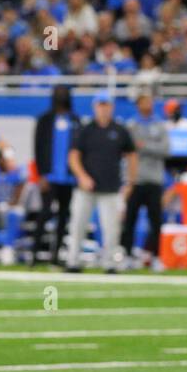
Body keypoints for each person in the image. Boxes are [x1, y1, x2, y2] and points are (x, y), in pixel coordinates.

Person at [66, 95, 134, 272]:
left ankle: (110, 263)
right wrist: (82, 176)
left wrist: (130, 182)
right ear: (95, 107)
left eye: (106, 105)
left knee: (111, 228)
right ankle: (73, 261)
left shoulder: (119, 130)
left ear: (111, 107)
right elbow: (73, 156)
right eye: (100, 105)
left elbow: (132, 155)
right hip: (85, 188)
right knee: (77, 225)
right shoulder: (85, 129)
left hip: (110, 187)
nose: (103, 109)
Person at [120, 92, 170, 270]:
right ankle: (127, 255)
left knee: (156, 221)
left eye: (149, 101)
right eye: (143, 102)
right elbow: (128, 149)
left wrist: (144, 146)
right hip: (136, 179)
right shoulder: (132, 125)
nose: (147, 105)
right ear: (138, 105)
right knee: (130, 220)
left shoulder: (159, 125)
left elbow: (165, 149)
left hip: (155, 179)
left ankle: (156, 257)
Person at [31, 84, 79, 265]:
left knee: (63, 218)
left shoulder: (75, 120)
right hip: (49, 176)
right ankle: (34, 255)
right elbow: (37, 148)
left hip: (68, 178)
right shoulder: (45, 120)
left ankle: (56, 255)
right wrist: (41, 174)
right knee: (43, 215)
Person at [0, 147, 27, 264]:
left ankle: (8, 248)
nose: (10, 161)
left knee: (14, 214)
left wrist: (4, 205)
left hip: (11, 207)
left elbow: (18, 198)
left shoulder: (18, 172)